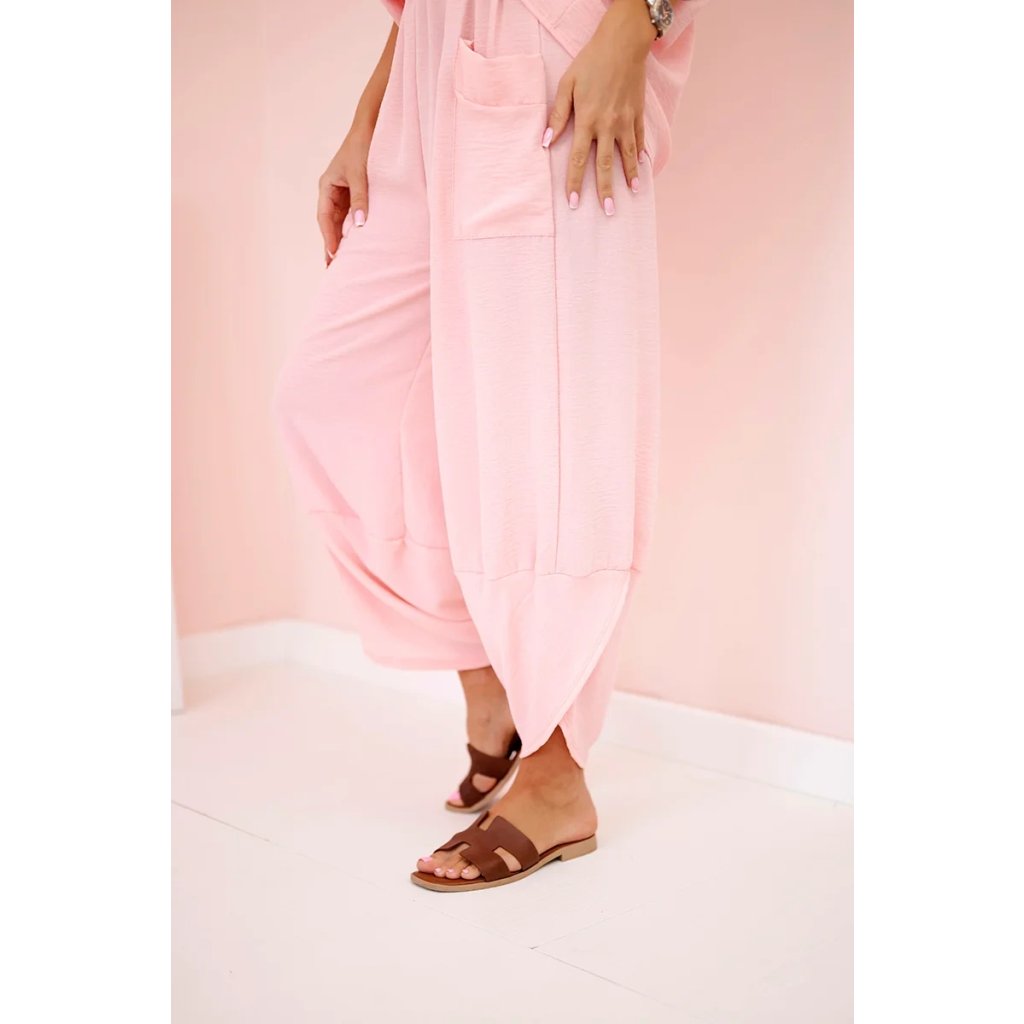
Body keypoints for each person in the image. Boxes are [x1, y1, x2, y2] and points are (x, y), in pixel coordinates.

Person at [273, 0, 708, 892]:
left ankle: (555, 778)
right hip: (428, 68)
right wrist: (368, 118)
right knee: (333, 396)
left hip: (554, 45)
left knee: (548, 432)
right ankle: (493, 685)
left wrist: (636, 23)